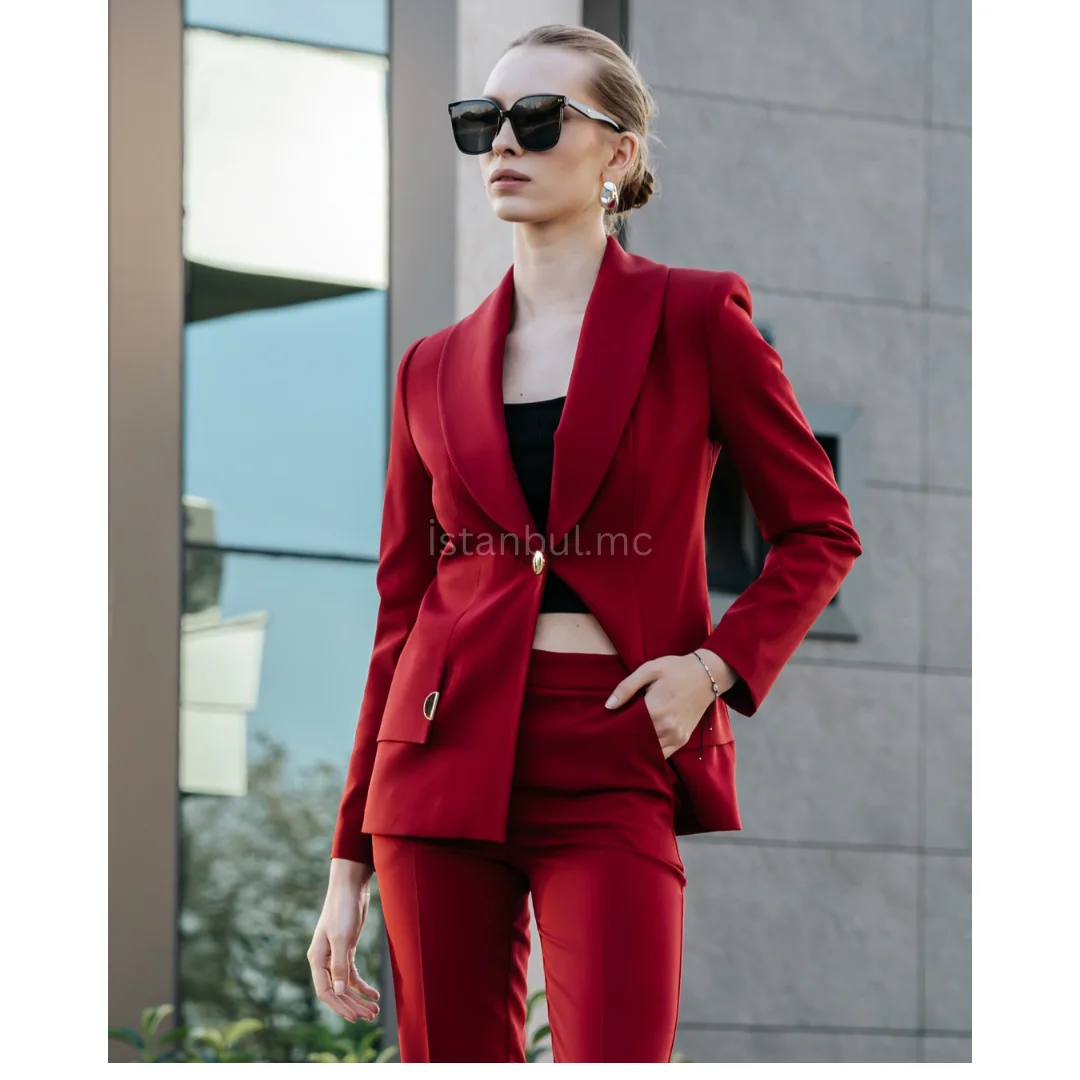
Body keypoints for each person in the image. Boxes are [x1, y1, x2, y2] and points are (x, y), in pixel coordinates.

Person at [307, 23, 862, 1064]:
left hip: (611, 748)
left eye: (537, 118)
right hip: (434, 763)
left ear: (620, 151)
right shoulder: (430, 366)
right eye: (482, 120)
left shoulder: (696, 316)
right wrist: (347, 864)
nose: (502, 142)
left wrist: (712, 669)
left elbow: (820, 531)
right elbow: (400, 616)